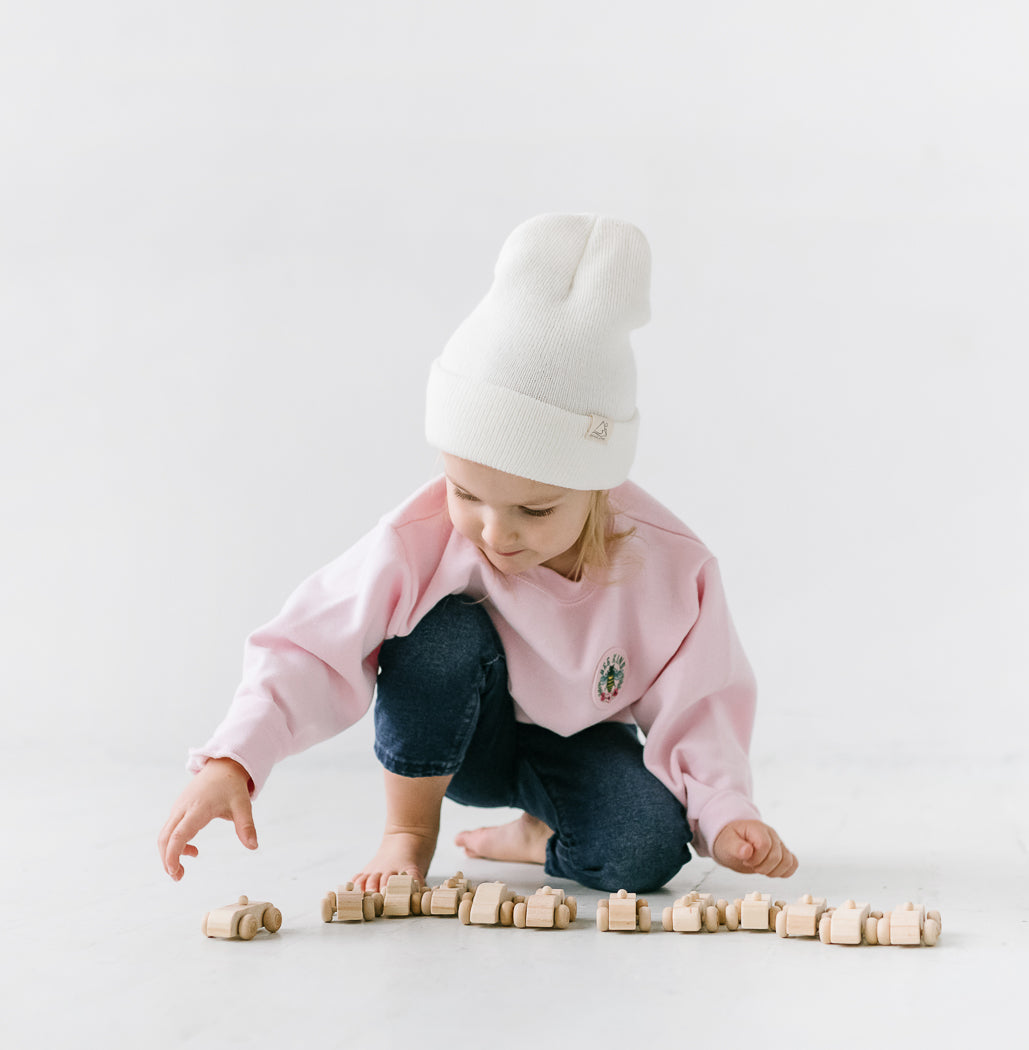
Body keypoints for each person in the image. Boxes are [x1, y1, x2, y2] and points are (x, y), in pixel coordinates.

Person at [158, 213, 798, 894]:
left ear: (600, 483)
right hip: (460, 735)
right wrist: (234, 759)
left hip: (576, 747)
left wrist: (726, 813)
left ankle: (538, 834)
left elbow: (702, 702)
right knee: (438, 628)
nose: (495, 533)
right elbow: (314, 639)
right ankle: (409, 832)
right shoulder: (425, 535)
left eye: (535, 510)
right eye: (468, 493)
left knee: (646, 852)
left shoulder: (674, 568)